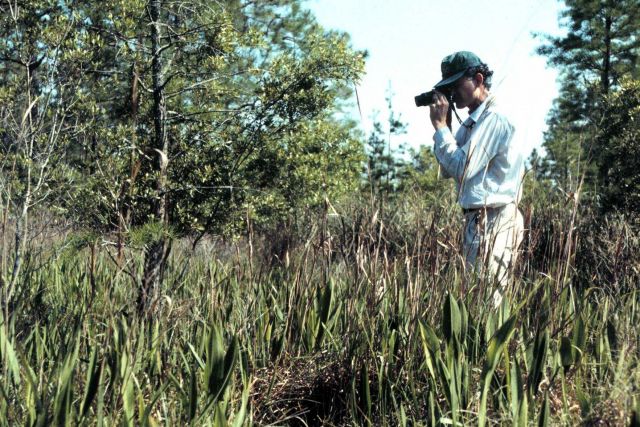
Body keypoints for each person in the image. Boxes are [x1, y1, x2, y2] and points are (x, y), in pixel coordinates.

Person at [427, 51, 525, 307]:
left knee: (487, 302)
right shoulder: (472, 123)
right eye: (447, 87)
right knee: (475, 298)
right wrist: (445, 128)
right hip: (479, 219)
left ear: (478, 79)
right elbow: (447, 170)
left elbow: (462, 167)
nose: (452, 93)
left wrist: (440, 129)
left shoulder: (494, 119)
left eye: (456, 85)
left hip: (495, 218)